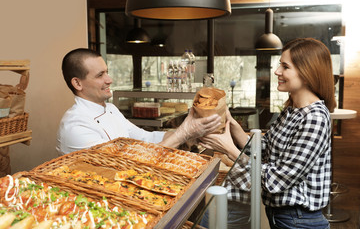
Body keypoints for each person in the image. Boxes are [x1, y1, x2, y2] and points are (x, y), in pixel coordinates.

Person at [199, 38, 336, 229]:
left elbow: (277, 180)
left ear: (307, 73)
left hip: (299, 221)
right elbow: (265, 149)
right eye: (280, 64)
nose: (277, 71)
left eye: (285, 66)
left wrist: (229, 149)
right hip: (284, 217)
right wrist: (234, 129)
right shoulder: (292, 111)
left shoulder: (315, 118)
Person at [56, 48, 221, 155]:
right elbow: (125, 165)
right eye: (100, 75)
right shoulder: (75, 125)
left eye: (107, 72)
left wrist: (190, 136)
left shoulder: (111, 109)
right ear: (77, 83)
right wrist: (182, 133)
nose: (109, 79)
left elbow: (145, 138)